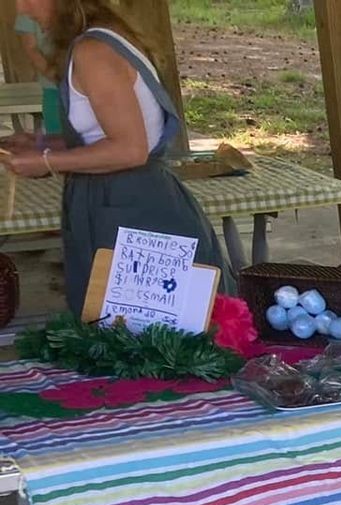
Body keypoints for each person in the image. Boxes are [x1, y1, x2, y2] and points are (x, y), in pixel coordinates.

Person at [1, 0, 227, 312]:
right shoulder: (101, 38)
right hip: (121, 201)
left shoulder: (93, 52)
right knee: (123, 331)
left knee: (144, 332)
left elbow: (130, 149)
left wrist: (47, 162)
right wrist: (41, 143)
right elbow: (103, 135)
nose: (22, 10)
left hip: (133, 209)